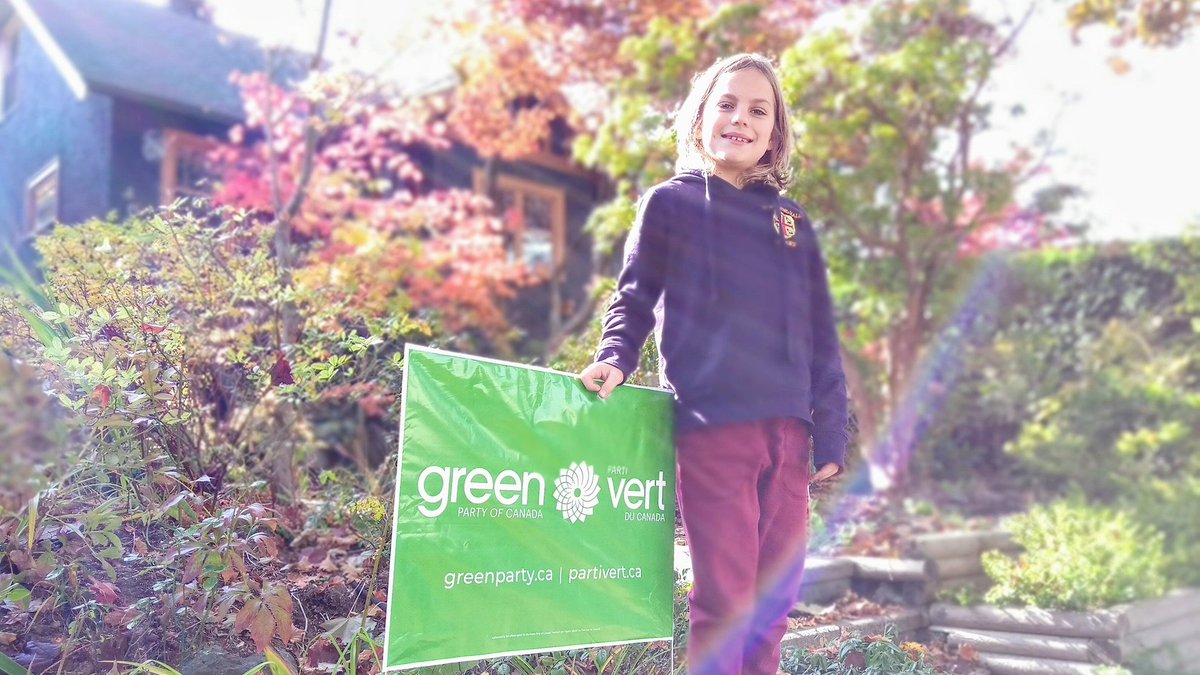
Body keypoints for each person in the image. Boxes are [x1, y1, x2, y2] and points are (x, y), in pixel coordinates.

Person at [579, 53, 850, 675]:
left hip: (790, 431)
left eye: (759, 110)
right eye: (726, 104)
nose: (741, 119)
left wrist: (831, 427)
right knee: (727, 603)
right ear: (700, 118)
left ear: (775, 133)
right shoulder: (669, 204)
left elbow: (820, 334)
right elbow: (636, 294)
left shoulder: (791, 222)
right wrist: (615, 357)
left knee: (773, 604)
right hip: (715, 426)